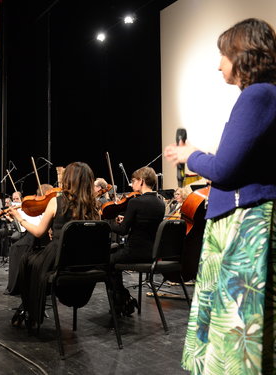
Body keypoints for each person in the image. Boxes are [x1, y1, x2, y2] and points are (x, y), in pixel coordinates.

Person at [164, 18, 276, 374]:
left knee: (236, 332)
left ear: (242, 54)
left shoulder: (258, 94)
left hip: (244, 226)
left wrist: (190, 155)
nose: (218, 64)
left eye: (223, 55)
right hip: (244, 220)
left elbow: (226, 169)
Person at [8, 162, 100, 327]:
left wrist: (19, 217)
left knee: (27, 261)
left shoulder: (56, 202)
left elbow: (38, 232)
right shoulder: (94, 206)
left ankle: (30, 310)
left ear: (68, 180)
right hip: (85, 263)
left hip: (60, 260)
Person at [109, 167, 166, 313]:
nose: (131, 184)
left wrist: (109, 224)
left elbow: (123, 231)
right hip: (152, 254)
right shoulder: (160, 203)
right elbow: (145, 225)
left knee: (108, 261)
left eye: (133, 181)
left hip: (134, 252)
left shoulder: (136, 202)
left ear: (141, 181)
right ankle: (122, 301)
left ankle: (123, 299)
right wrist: (128, 219)